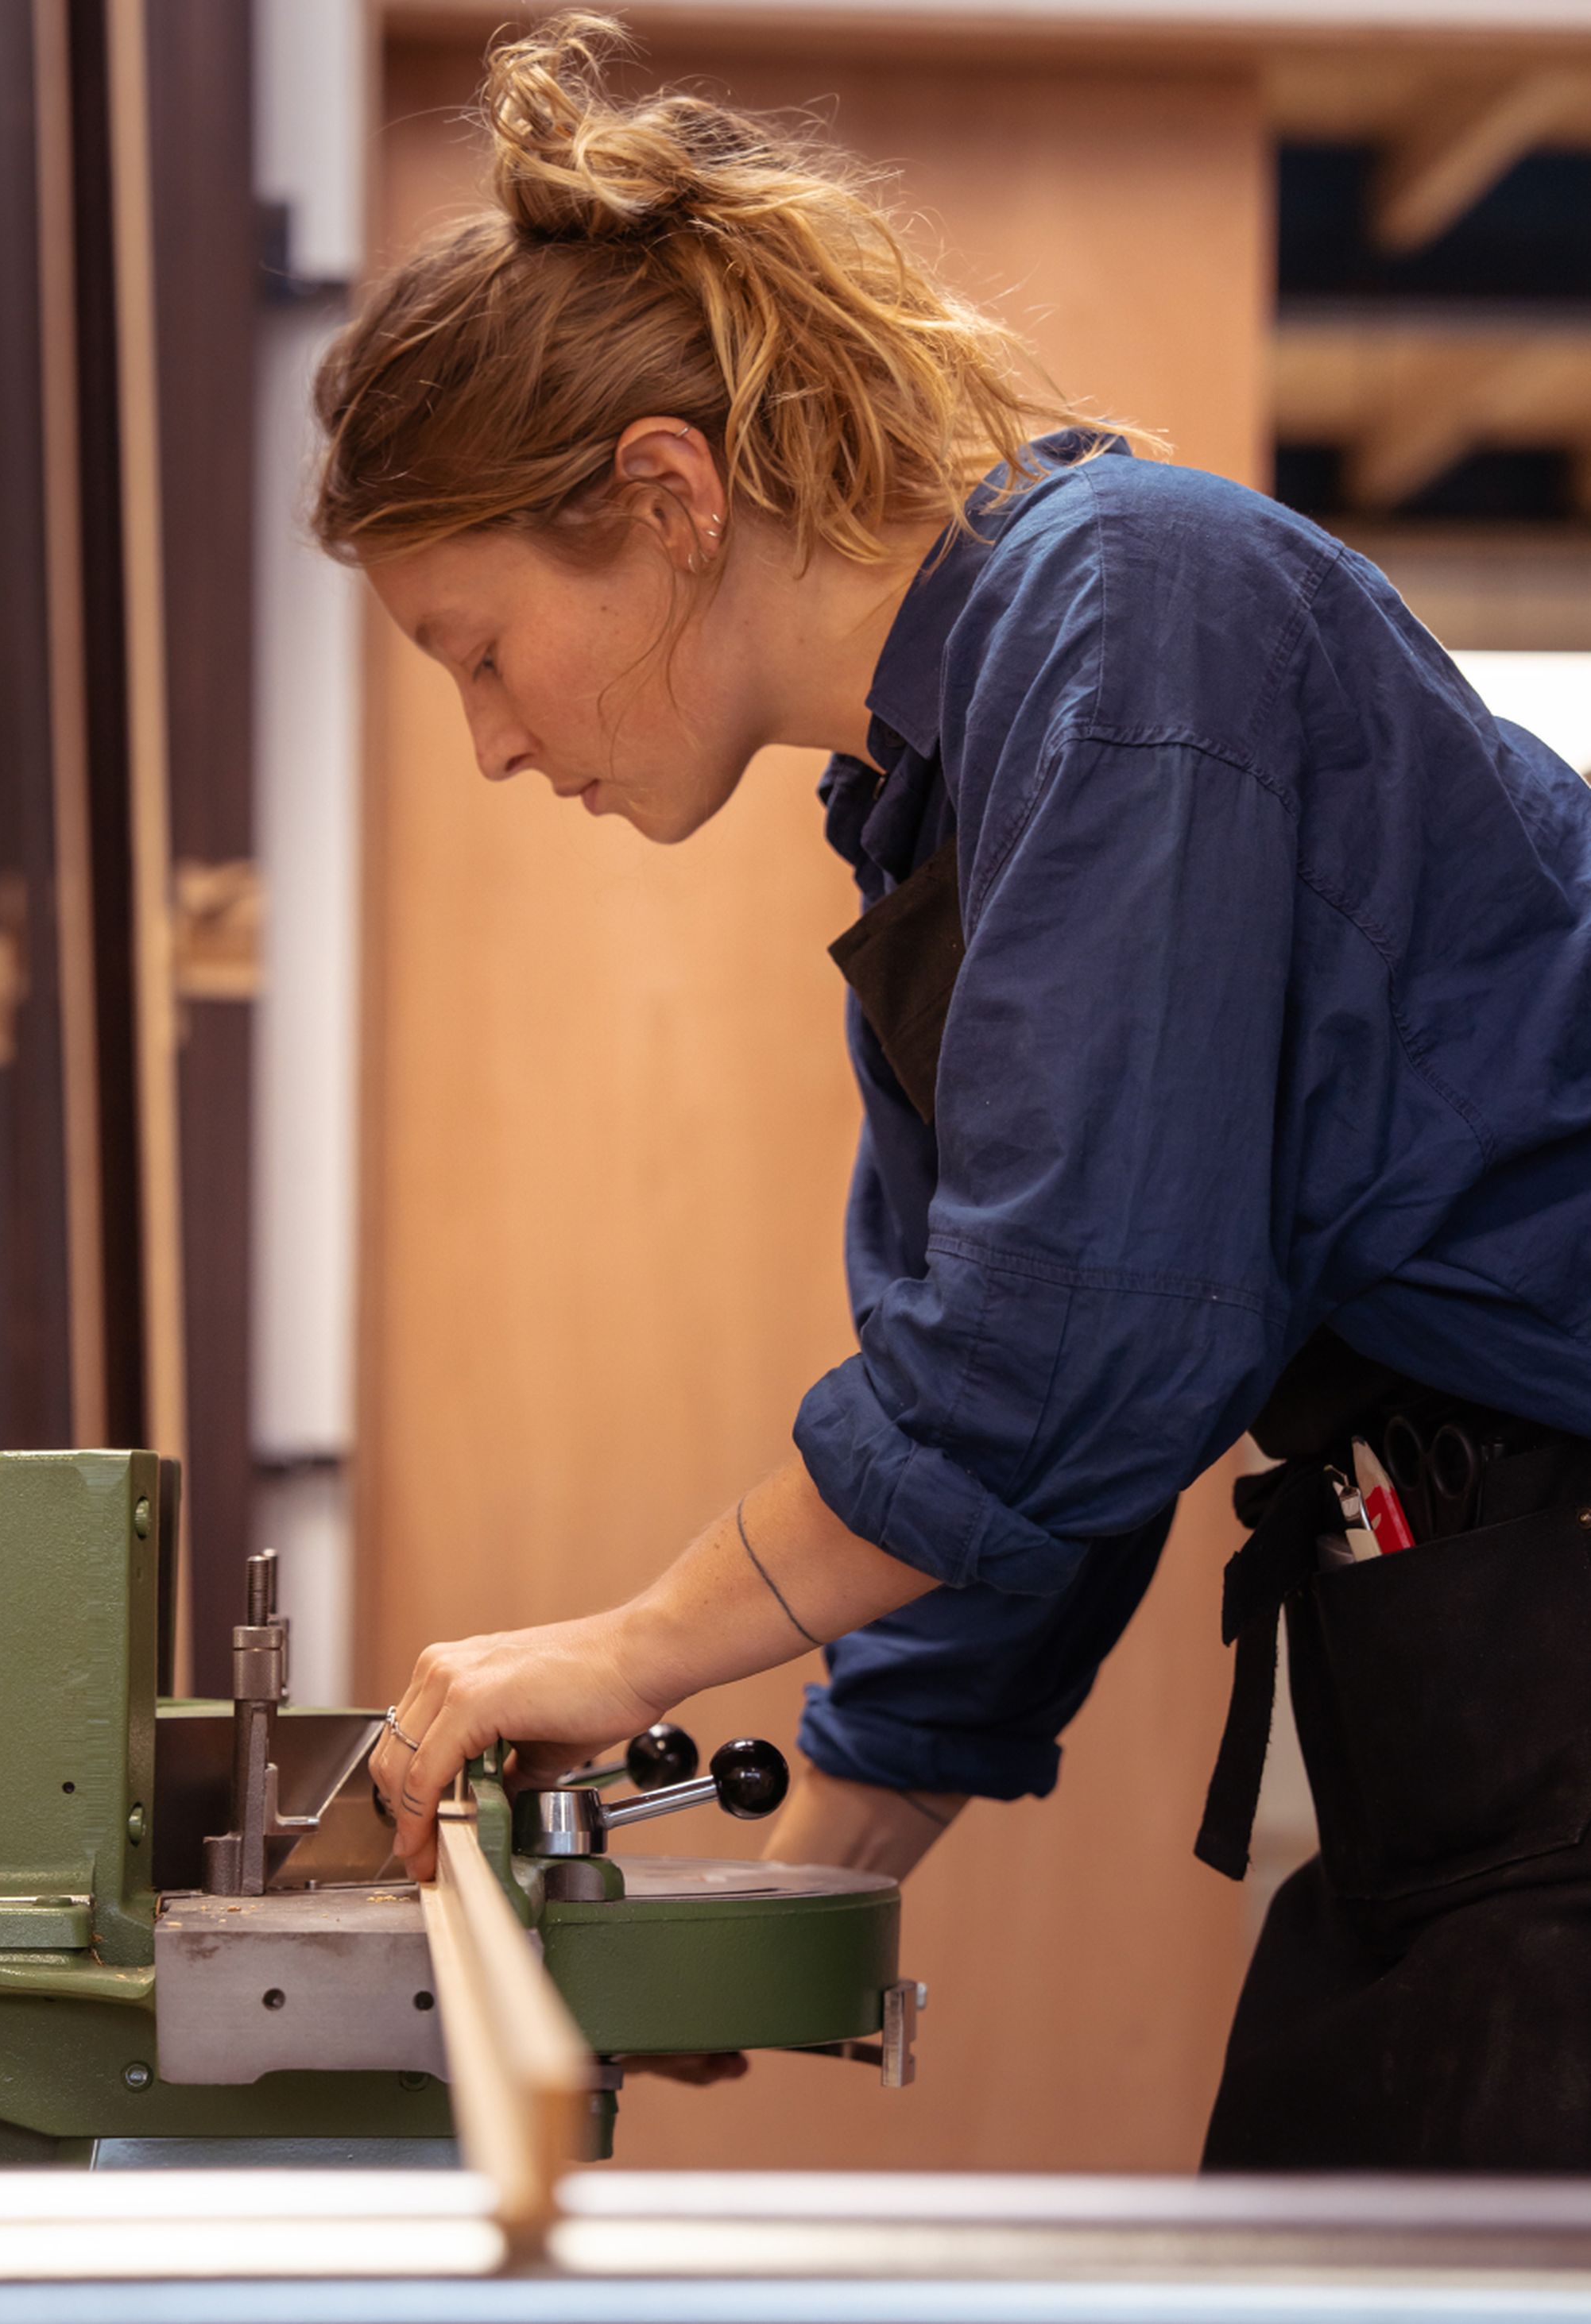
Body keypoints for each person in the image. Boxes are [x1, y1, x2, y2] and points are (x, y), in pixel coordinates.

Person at [313, 13, 1591, 2167]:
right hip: (1451, 1684)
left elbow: (1060, 1357)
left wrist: (635, 1651)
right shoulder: (929, 817)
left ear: (661, 494)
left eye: (474, 646)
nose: (494, 744)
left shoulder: (1136, 616)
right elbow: (1009, 1474)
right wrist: (812, 1887)